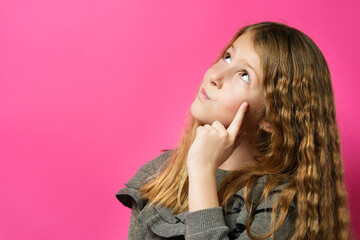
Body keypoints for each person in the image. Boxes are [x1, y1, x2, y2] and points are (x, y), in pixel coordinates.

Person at [115, 21, 351, 239]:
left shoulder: (280, 202)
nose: (215, 75)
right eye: (227, 57)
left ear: (272, 118)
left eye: (245, 75)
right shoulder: (162, 171)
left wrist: (202, 171)